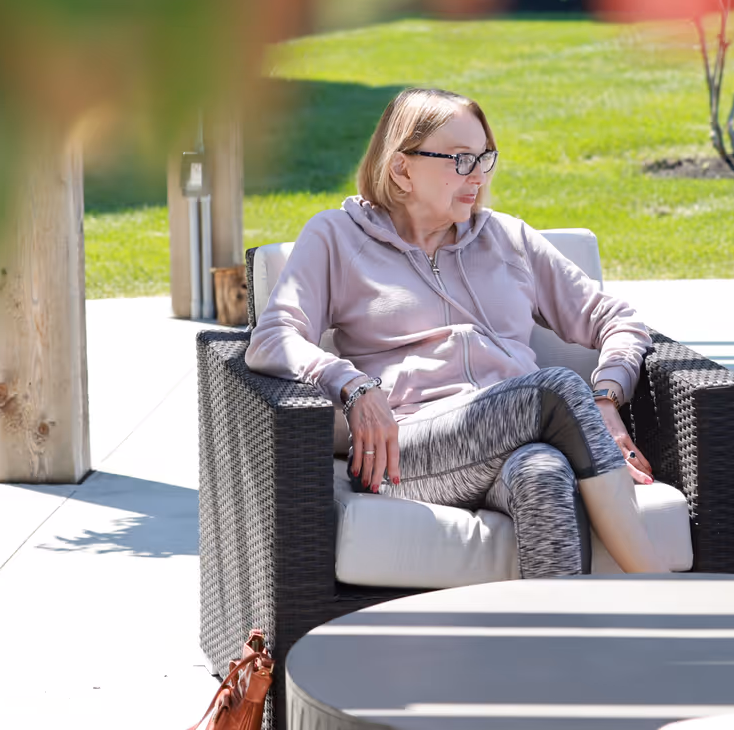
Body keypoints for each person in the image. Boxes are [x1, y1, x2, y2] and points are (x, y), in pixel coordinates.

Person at [246, 86, 665, 577]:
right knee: (555, 390)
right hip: (404, 449)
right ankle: (660, 591)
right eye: (461, 160)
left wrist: (605, 399)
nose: (479, 177)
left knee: (545, 474)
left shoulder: (508, 238)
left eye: (485, 158)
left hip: (511, 440)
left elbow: (617, 319)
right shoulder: (336, 237)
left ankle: (557, 649)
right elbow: (273, 336)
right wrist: (352, 383)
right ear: (402, 168)